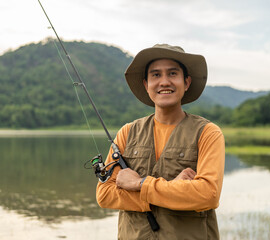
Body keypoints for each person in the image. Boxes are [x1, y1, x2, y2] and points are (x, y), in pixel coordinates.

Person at [96, 44, 225, 240]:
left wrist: (139, 184)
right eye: (156, 75)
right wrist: (172, 189)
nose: (164, 82)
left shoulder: (207, 133)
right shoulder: (127, 133)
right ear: (146, 84)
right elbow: (104, 194)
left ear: (186, 82)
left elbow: (208, 194)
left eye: (172, 73)